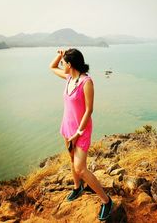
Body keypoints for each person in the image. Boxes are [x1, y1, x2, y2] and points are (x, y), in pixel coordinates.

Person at [49, 48, 113, 221]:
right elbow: (51, 66)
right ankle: (78, 188)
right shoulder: (69, 77)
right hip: (67, 127)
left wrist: (78, 133)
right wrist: (60, 55)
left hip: (81, 130)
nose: (62, 65)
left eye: (64, 62)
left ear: (70, 65)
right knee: (71, 160)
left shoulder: (87, 82)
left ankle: (106, 201)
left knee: (81, 168)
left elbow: (89, 110)